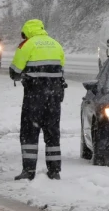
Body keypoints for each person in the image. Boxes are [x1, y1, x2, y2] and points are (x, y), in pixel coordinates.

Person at [8, 19, 67, 181]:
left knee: (29, 133)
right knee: (52, 133)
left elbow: (15, 71)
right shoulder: (56, 44)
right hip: (54, 97)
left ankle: (28, 171)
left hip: (34, 97)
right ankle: (54, 171)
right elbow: (61, 68)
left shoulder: (27, 45)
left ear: (26, 32)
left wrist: (22, 74)